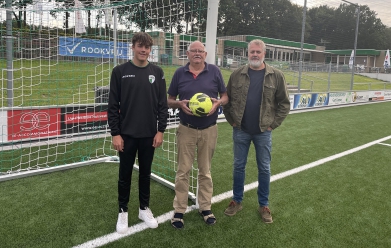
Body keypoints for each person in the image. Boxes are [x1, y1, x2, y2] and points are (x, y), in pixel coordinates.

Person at [223, 39, 290, 223]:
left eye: (258, 52)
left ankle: (264, 204)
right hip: (241, 130)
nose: (254, 54)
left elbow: (284, 104)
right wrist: (232, 121)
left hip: (263, 132)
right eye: (252, 51)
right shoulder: (236, 74)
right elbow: (226, 100)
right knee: (238, 166)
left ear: (264, 54)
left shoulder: (276, 75)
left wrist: (272, 125)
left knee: (264, 168)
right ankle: (237, 201)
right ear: (247, 53)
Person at [107, 32, 168, 233]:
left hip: (149, 135)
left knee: (145, 174)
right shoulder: (119, 71)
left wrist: (160, 131)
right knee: (124, 175)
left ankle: (143, 208)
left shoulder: (157, 72)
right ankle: (122, 211)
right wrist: (115, 133)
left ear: (150, 50)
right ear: (132, 47)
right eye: (140, 46)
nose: (144, 50)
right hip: (126, 135)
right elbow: (112, 105)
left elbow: (162, 106)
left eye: (147, 47)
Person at [168, 41, 228, 229]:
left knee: (205, 170)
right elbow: (169, 100)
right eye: (193, 50)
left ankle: (205, 207)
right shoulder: (179, 73)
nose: (197, 53)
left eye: (200, 51)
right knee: (183, 170)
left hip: (209, 129)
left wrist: (218, 103)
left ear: (205, 53)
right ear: (187, 53)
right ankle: (179, 209)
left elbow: (225, 96)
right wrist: (179, 104)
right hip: (186, 128)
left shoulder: (214, 71)